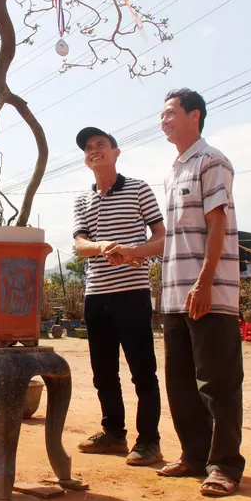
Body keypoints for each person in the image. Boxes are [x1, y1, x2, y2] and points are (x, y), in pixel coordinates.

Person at [155, 89, 244, 497]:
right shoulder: (175, 169)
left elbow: (217, 224)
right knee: (180, 382)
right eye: (163, 114)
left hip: (208, 292)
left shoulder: (213, 161)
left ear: (195, 115)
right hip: (174, 295)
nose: (164, 119)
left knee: (217, 382)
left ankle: (224, 465)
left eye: (171, 112)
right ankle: (193, 454)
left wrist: (205, 280)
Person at [72, 126, 166, 466]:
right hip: (96, 294)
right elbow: (80, 244)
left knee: (143, 370)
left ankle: (149, 442)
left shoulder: (139, 189)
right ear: (85, 160)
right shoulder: (82, 199)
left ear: (116, 153)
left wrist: (130, 251)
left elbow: (161, 238)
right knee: (103, 371)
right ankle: (113, 433)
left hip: (132, 292)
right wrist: (102, 247)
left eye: (100, 144)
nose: (94, 150)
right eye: (88, 148)